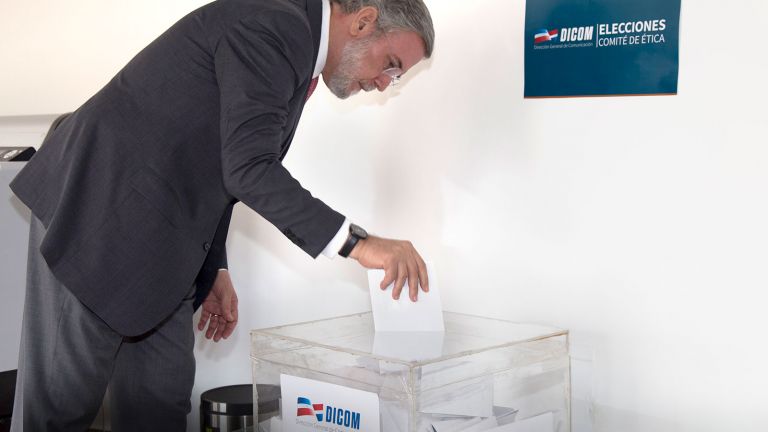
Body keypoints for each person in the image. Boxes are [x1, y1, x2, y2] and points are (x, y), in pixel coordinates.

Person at [9, 0, 434, 430]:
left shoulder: (298, 46)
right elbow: (250, 168)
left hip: (170, 244)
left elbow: (222, 163)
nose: (385, 84)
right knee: (59, 411)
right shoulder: (278, 24)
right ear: (364, 21)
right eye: (392, 66)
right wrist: (357, 243)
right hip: (98, 216)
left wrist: (214, 267)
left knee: (159, 408)